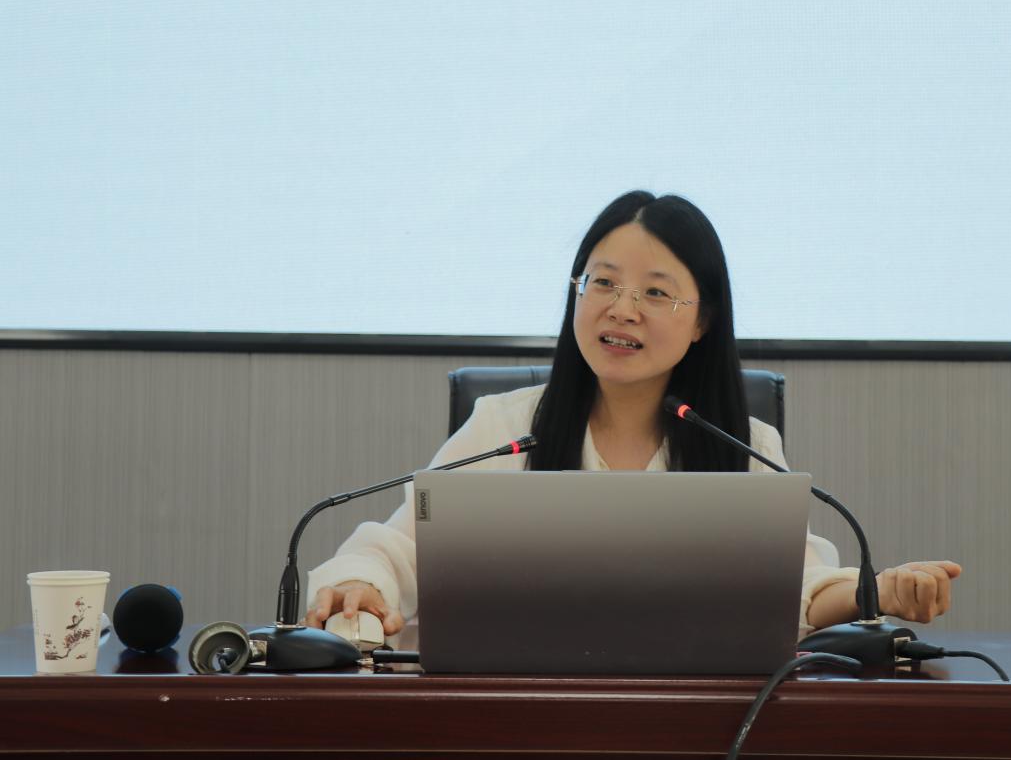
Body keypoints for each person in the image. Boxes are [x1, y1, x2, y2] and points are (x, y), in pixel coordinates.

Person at [305, 191, 961, 639]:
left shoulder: (742, 443)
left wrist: (879, 590)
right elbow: (400, 547)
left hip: (697, 721)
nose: (622, 308)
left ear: (701, 320)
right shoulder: (503, 428)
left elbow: (801, 586)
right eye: (603, 282)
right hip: (520, 712)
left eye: (655, 292)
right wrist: (362, 584)